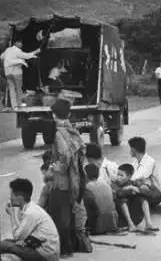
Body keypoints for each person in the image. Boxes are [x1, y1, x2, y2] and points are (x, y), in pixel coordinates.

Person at [47, 98, 85, 257]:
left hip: (61, 181)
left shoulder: (59, 133)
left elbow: (64, 156)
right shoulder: (72, 130)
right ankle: (70, 247)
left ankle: (64, 249)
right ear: (68, 114)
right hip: (74, 178)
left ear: (54, 115)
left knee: (59, 215)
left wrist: (54, 168)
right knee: (68, 213)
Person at [0, 178, 60, 261]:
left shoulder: (30, 212)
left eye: (12, 195)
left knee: (3, 245)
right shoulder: (30, 207)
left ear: (19, 198)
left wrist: (12, 214)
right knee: (6, 241)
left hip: (46, 254)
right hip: (39, 246)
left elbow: (17, 236)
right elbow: (21, 230)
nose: (10, 198)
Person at [113, 163, 158, 233]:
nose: (118, 177)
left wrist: (139, 188)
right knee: (122, 199)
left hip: (136, 216)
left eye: (121, 175)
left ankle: (149, 224)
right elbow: (117, 193)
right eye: (118, 175)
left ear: (129, 176)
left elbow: (154, 194)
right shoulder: (114, 184)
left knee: (142, 197)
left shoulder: (134, 183)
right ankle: (130, 224)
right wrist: (129, 189)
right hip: (122, 218)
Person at [0, 40, 40, 108]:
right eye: (20, 43)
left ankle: (14, 105)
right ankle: (19, 104)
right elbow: (26, 56)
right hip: (16, 73)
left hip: (8, 72)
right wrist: (36, 51)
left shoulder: (7, 50)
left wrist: (7, 62)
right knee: (18, 89)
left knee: (12, 89)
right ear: (16, 44)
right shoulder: (17, 50)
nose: (21, 45)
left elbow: (1, 57)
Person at [128, 136, 161, 209]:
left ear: (134, 150)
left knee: (141, 186)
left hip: (154, 193)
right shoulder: (135, 162)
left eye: (130, 148)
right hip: (142, 190)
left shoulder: (150, 161)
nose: (129, 151)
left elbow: (137, 177)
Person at [83, 164, 118, 235]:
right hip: (113, 224)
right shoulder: (107, 185)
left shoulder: (86, 187)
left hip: (97, 227)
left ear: (85, 175)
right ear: (98, 174)